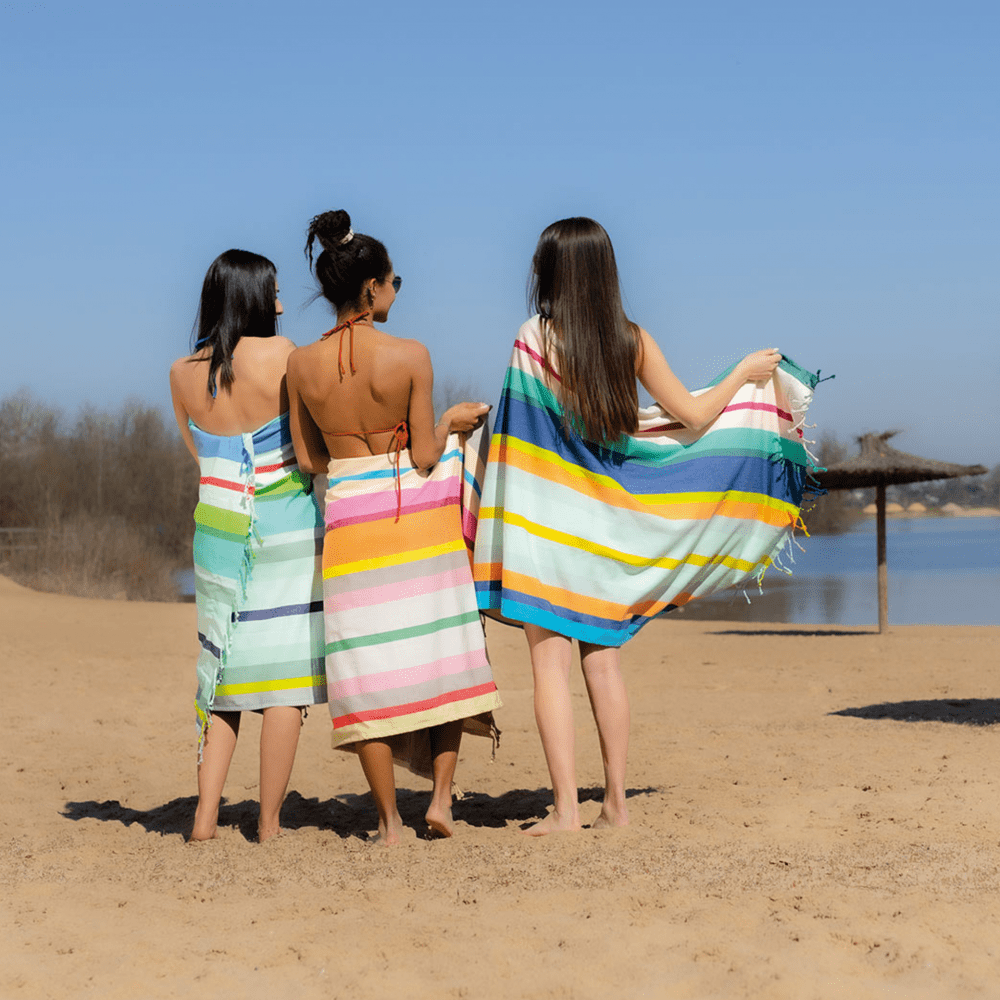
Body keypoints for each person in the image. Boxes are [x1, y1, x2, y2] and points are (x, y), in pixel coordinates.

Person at [474, 217, 818, 835]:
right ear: (605, 271)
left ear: (550, 271)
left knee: (548, 667)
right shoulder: (629, 340)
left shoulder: (532, 338)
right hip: (606, 531)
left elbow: (517, 437)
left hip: (545, 529)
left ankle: (563, 811)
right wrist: (741, 374)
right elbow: (691, 417)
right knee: (602, 664)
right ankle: (615, 805)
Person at [286, 210, 502, 844]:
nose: (395, 292)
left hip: (352, 524)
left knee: (364, 668)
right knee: (442, 651)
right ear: (372, 288)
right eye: (394, 282)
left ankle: (388, 822)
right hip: (416, 523)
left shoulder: (300, 366)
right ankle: (439, 801)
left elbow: (307, 461)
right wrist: (458, 422)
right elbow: (429, 456)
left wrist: (356, 467)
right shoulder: (411, 355)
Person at [169, 249, 326, 843]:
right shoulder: (284, 357)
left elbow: (202, 460)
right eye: (276, 292)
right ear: (253, 296)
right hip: (283, 525)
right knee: (283, 684)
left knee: (223, 676)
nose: (283, 303)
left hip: (216, 529)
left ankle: (205, 818)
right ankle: (267, 823)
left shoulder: (181, 372)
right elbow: (308, 452)